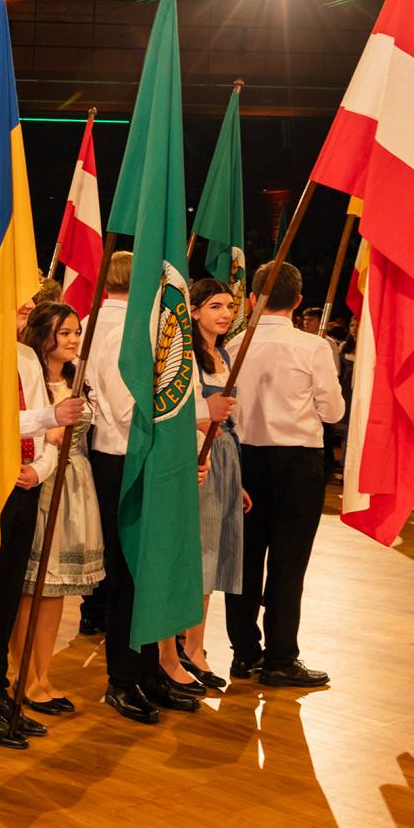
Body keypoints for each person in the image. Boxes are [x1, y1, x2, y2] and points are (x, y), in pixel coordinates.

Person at [82, 252, 201, 723]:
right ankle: (123, 678)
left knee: (152, 571)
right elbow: (128, 409)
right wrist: (192, 422)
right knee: (130, 574)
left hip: (145, 459)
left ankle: (150, 672)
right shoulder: (118, 333)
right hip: (123, 461)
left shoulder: (125, 327)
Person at [223, 261, 344, 688]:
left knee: (244, 560)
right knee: (288, 564)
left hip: (244, 461)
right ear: (298, 301)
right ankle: (280, 658)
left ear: (252, 299)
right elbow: (334, 411)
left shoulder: (233, 344)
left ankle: (243, 653)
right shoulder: (312, 347)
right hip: (297, 463)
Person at [0, 300, 74, 749]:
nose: (26, 307)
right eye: (19, 301)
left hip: (26, 485)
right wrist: (49, 419)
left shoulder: (26, 356)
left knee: (9, 593)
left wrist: (40, 469)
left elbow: (45, 434)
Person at [11, 300, 102, 716]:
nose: (72, 340)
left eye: (76, 332)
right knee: (32, 588)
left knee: (56, 592)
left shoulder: (77, 379)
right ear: (42, 334)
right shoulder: (30, 380)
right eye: (63, 332)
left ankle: (43, 675)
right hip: (41, 482)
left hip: (75, 486)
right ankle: (23, 675)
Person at [169, 278, 241, 693]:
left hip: (225, 453)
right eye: (215, 306)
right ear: (193, 311)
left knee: (215, 552)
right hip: (200, 451)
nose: (225, 313)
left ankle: (195, 644)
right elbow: (182, 412)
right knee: (200, 552)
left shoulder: (224, 353)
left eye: (229, 306)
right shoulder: (188, 358)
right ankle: (187, 646)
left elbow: (228, 421)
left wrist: (236, 480)